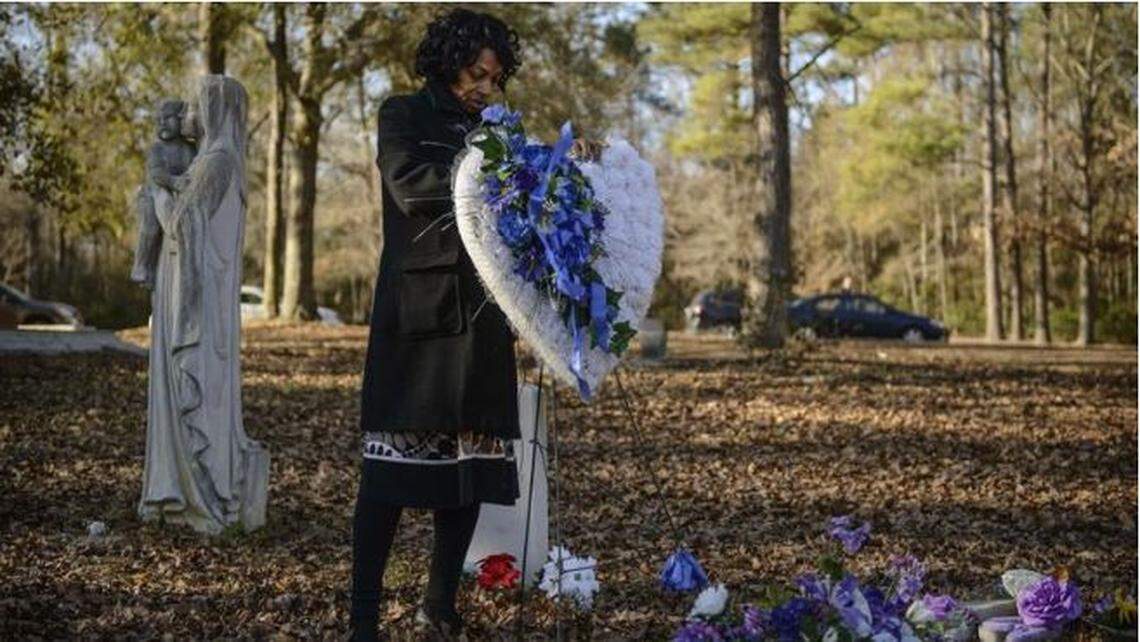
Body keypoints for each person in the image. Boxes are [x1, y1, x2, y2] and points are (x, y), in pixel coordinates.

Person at [350, 9, 523, 641]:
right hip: (418, 319)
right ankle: (362, 618)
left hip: (482, 314)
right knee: (388, 477)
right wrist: (488, 183)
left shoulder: (497, 130)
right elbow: (409, 187)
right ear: (448, 61)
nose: (485, 87)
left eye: (495, 78)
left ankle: (439, 603)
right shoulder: (402, 114)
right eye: (477, 73)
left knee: (471, 468)